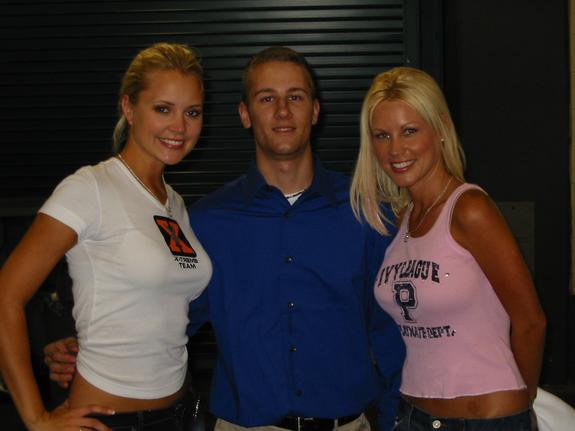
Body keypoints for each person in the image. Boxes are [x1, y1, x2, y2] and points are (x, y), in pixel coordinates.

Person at [43, 46, 406, 431]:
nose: (282, 111)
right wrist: (81, 347)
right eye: (267, 98)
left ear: (315, 110)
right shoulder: (204, 221)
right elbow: (166, 315)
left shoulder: (366, 212)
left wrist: (394, 421)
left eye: (295, 97)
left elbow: (393, 331)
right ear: (245, 114)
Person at [0, 42, 212, 431]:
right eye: (163, 109)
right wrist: (35, 417)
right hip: (109, 419)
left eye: (192, 112)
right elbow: (5, 296)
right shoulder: (90, 188)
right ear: (129, 108)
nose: (179, 127)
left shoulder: (174, 203)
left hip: (178, 413)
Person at [350, 66, 546, 430]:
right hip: (413, 416)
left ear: (440, 128)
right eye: (382, 135)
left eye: (409, 131)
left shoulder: (469, 209)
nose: (396, 149)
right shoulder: (403, 219)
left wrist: (522, 404)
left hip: (485, 419)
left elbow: (531, 322)